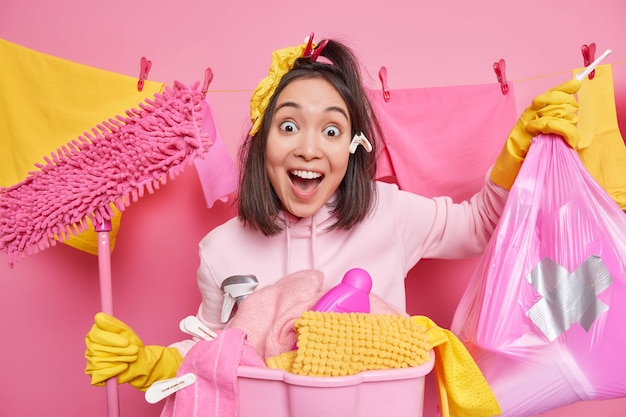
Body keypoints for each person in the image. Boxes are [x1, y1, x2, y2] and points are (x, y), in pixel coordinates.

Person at [84, 34, 581, 391]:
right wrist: (150, 362)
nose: (308, 149)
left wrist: (517, 155)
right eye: (289, 126)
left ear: (353, 146)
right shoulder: (220, 250)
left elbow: (479, 227)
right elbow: (212, 355)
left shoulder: (389, 213)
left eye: (331, 130)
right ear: (261, 144)